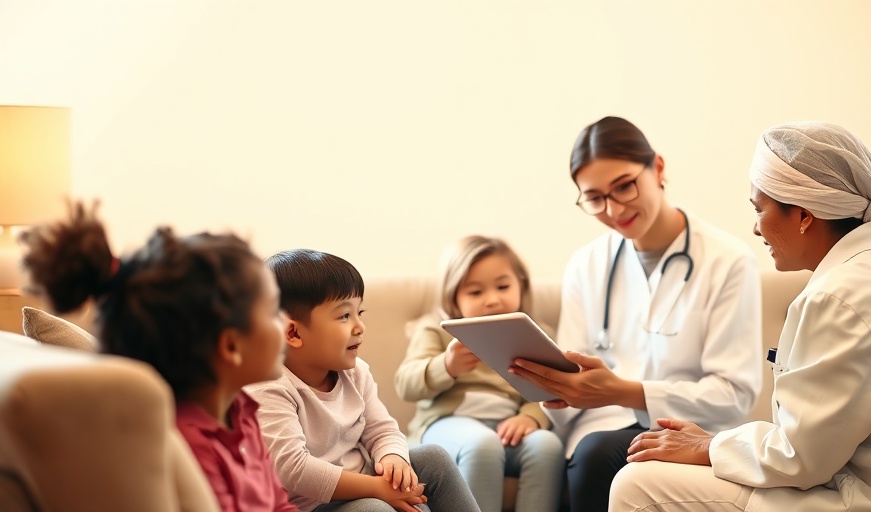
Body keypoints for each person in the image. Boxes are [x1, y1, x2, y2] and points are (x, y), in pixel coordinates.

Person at [608, 122, 871, 512]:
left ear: (803, 215)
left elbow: (800, 459)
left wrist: (709, 445)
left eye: (759, 209)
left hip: (847, 498)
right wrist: (714, 443)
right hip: (844, 477)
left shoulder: (841, 297)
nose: (754, 227)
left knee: (636, 484)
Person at [509, 116, 763, 512]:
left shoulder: (728, 261)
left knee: (597, 457)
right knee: (591, 451)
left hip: (688, 430)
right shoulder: (585, 265)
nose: (613, 209)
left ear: (657, 168)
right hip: (598, 425)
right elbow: (570, 369)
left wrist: (625, 391)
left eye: (624, 186)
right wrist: (549, 398)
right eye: (594, 198)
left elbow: (735, 394)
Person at [19, 203, 297, 512]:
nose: (285, 323)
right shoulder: (185, 445)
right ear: (230, 346)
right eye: (274, 311)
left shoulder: (242, 411)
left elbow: (279, 505)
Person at [245, 249, 481, 512]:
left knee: (434, 458)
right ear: (293, 332)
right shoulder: (267, 385)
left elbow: (383, 430)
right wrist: (376, 489)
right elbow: (294, 470)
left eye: (360, 312)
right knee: (373, 509)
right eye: (345, 315)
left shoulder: (356, 372)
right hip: (310, 505)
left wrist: (393, 457)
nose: (360, 326)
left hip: (366, 480)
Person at [394, 235, 565, 512]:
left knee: (547, 446)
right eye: (475, 292)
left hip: (508, 429)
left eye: (503, 286)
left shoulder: (534, 333)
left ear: (521, 284)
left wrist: (530, 416)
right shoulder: (435, 329)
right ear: (454, 297)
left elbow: (552, 389)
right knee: (483, 445)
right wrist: (446, 366)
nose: (492, 300)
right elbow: (405, 385)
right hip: (447, 425)